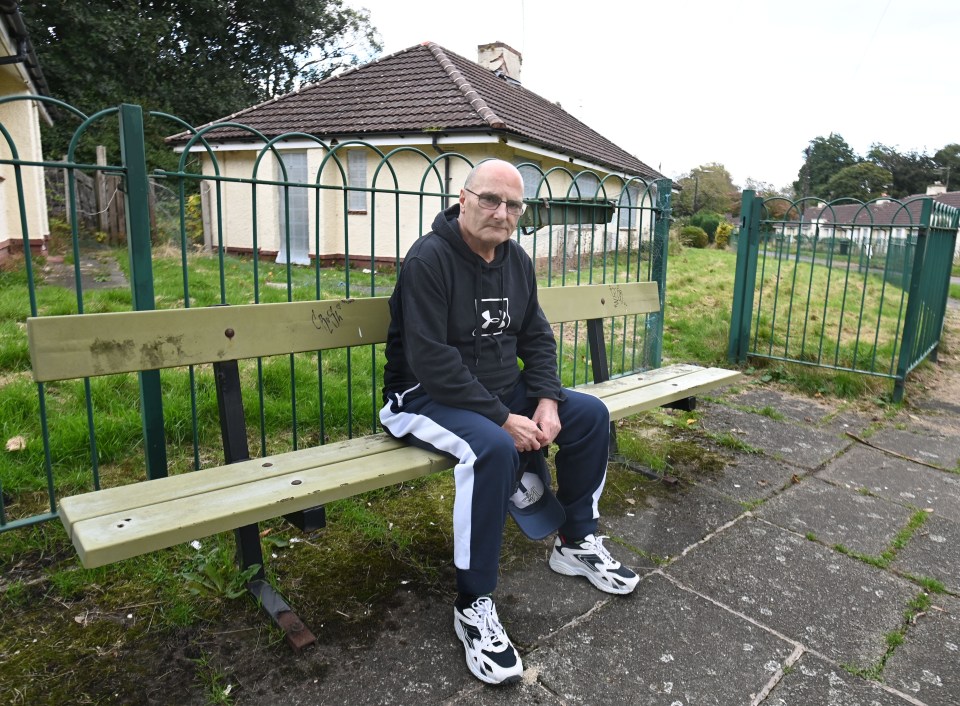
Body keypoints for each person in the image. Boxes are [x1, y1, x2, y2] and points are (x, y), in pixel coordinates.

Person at [379, 159, 638, 685]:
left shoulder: (517, 260)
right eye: (490, 199)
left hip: (496, 391)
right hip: (424, 396)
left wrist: (544, 400)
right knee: (492, 449)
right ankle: (473, 603)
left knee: (587, 413)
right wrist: (503, 418)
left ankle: (575, 543)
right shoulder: (429, 259)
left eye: (513, 204)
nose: (501, 212)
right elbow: (430, 360)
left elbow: (537, 337)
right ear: (463, 198)